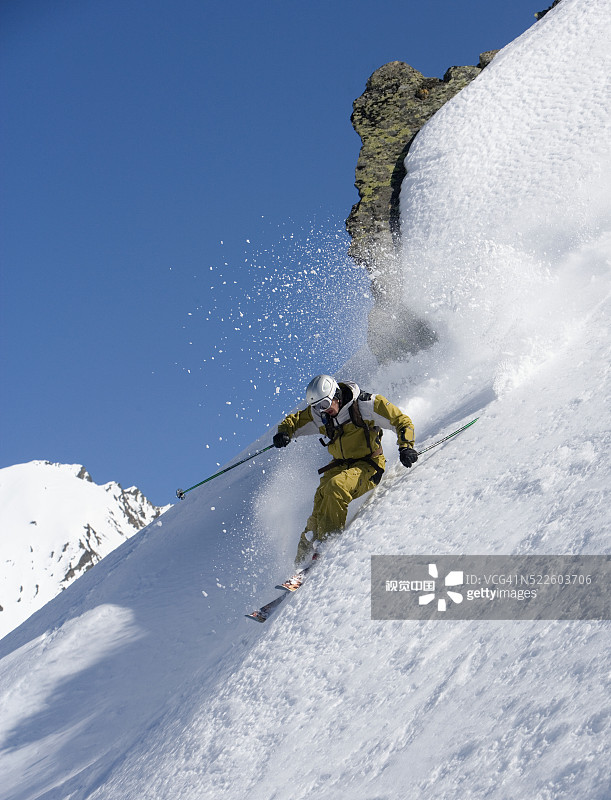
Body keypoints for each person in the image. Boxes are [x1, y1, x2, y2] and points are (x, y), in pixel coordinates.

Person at [273, 375, 418, 565]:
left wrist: (406, 447)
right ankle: (300, 564)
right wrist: (284, 432)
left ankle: (327, 543)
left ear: (336, 394)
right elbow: (295, 421)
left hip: (369, 465)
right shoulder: (321, 415)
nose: (322, 410)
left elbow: (401, 421)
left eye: (325, 404)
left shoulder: (366, 405)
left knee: (335, 487)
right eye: (317, 407)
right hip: (339, 466)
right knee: (318, 508)